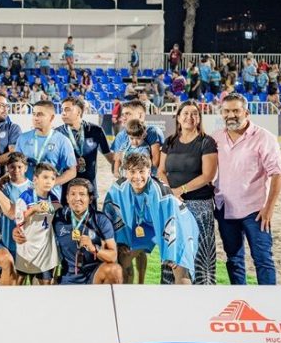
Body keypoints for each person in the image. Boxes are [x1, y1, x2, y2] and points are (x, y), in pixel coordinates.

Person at [213, 93, 281, 285]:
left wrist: (269, 208)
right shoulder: (216, 138)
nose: (231, 115)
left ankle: (268, 305)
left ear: (246, 112)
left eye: (236, 110)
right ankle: (241, 300)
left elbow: (278, 173)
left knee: (262, 259)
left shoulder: (264, 137)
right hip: (225, 209)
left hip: (255, 211)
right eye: (226, 111)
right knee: (234, 260)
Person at [103, 152, 199, 285]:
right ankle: (125, 299)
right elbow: (108, 218)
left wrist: (170, 253)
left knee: (179, 266)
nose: (137, 176)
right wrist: (119, 242)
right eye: (132, 171)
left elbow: (172, 223)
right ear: (126, 172)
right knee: (121, 258)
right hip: (147, 224)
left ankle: (183, 303)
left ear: (149, 171)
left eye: (141, 171)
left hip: (178, 222)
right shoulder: (117, 189)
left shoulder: (162, 194)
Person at [157, 100, 218, 285]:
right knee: (173, 248)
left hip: (199, 204)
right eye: (185, 113)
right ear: (178, 117)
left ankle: (203, 289)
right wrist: (170, 192)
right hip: (173, 204)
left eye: (194, 114)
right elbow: (160, 170)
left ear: (199, 118)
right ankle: (170, 289)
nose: (189, 117)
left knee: (200, 251)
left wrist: (180, 190)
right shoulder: (170, 141)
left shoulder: (206, 142)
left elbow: (208, 175)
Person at [0, 163, 61, 285]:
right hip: (26, 248)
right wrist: (32, 210)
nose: (49, 181)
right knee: (18, 283)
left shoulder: (53, 198)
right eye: (45, 177)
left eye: (52, 179)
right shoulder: (25, 197)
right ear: (35, 179)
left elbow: (57, 216)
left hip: (45, 251)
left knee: (46, 284)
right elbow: (18, 219)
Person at [53, 179, 122, 284]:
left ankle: (104, 300)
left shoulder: (100, 220)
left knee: (115, 270)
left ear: (90, 199)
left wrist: (94, 248)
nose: (77, 198)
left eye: (82, 194)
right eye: (73, 194)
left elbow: (113, 256)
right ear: (67, 198)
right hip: (67, 276)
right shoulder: (58, 217)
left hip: (94, 275)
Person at [56, 97, 114, 207]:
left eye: (67, 109)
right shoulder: (57, 134)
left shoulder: (96, 130)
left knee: (90, 223)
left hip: (89, 190)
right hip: (66, 191)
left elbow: (109, 156)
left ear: (78, 112)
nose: (63, 113)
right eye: (62, 110)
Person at [14, 100, 77, 195]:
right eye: (34, 114)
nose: (35, 118)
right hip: (25, 194)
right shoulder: (22, 138)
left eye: (40, 115)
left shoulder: (62, 140)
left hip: (50, 196)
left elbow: (72, 171)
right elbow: (15, 165)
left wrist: (52, 183)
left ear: (51, 118)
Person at [111, 100, 164, 178]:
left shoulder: (153, 131)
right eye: (123, 114)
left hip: (148, 179)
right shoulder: (120, 135)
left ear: (140, 115)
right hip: (127, 178)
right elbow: (116, 160)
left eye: (128, 114)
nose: (124, 117)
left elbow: (155, 162)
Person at [0, 152, 31, 259]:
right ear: (7, 168)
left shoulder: (32, 187)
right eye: (12, 167)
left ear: (26, 168)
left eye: (20, 167)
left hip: (25, 232)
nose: (16, 170)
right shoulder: (4, 187)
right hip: (7, 229)